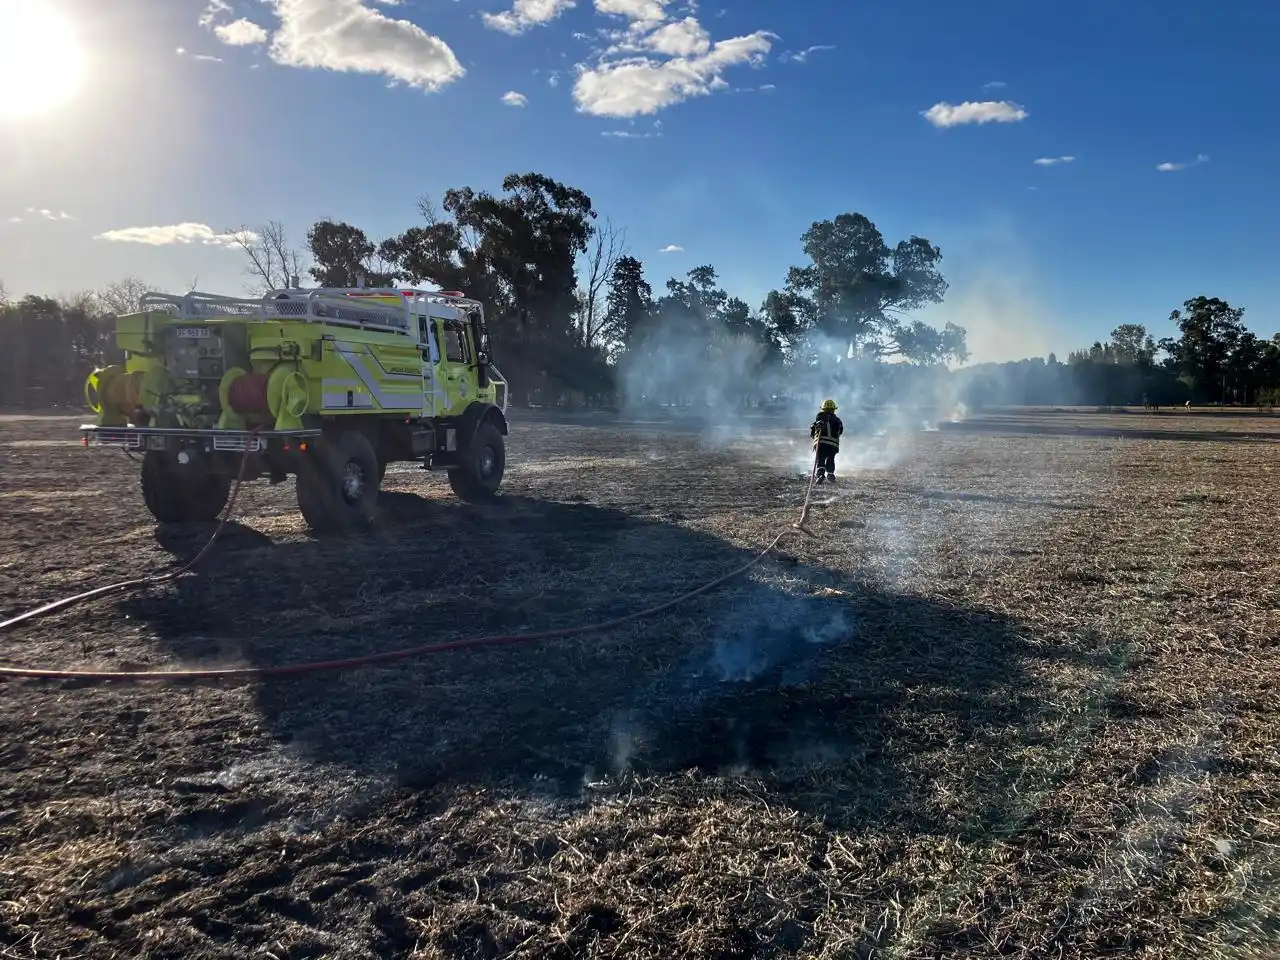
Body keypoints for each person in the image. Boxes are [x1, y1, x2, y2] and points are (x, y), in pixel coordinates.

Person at [810, 398, 843, 484]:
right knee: (830, 459)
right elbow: (840, 431)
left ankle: (820, 474)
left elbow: (815, 428)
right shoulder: (838, 420)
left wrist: (815, 426)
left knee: (820, 458)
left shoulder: (820, 416)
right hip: (833, 445)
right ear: (834, 410)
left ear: (823, 409)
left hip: (821, 443)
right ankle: (830, 474)